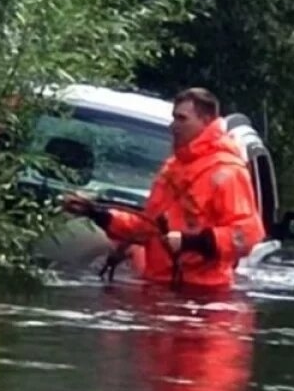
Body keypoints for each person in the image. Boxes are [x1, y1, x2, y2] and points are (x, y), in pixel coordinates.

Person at [61, 88, 266, 290]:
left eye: (181, 119)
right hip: (157, 285)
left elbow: (247, 234)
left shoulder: (228, 171)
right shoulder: (173, 167)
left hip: (205, 294)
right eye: (174, 118)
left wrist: (191, 243)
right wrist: (96, 213)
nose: (173, 126)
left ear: (205, 121)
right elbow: (148, 227)